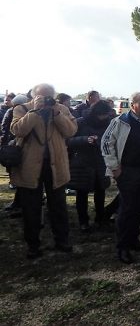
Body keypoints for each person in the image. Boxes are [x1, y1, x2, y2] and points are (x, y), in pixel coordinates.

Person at [11, 83, 77, 259]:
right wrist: (34, 112)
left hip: (56, 166)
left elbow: (71, 131)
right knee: (30, 208)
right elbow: (17, 130)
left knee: (58, 206)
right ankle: (33, 245)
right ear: (33, 96)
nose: (46, 100)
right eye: (41, 96)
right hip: (29, 167)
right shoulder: (22, 109)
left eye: (49, 97)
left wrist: (57, 113)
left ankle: (62, 240)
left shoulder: (61, 109)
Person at [101, 92, 140, 264]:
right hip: (127, 171)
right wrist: (114, 167)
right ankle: (123, 246)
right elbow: (106, 143)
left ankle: (134, 239)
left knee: (139, 208)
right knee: (126, 209)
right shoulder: (120, 121)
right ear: (133, 105)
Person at [67, 100, 114, 232]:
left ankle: (100, 218)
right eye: (102, 114)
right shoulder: (81, 122)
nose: (104, 117)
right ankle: (83, 221)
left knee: (100, 192)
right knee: (82, 193)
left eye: (106, 114)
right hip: (83, 162)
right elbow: (68, 141)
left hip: (101, 161)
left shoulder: (109, 123)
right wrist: (84, 139)